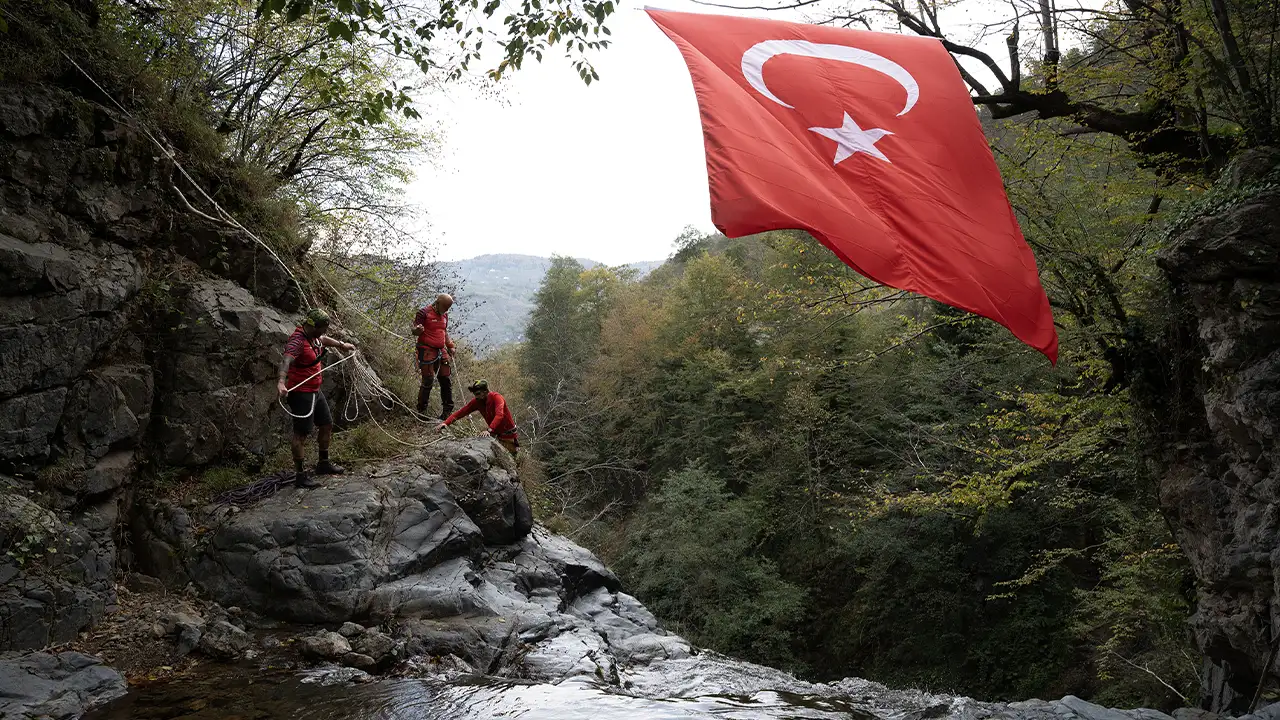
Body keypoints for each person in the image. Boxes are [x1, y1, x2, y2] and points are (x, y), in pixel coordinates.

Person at [277, 308, 356, 488]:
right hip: (301, 393)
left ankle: (323, 463)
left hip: (315, 390)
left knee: (326, 425)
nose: (324, 332)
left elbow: (324, 340)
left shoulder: (314, 336)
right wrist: (281, 382)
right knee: (301, 434)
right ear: (313, 326)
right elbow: (286, 361)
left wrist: (341, 345)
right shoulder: (297, 341)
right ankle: (300, 476)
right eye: (323, 328)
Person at [436, 379, 519, 458]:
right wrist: (446, 423)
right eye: (475, 394)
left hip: (508, 436)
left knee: (511, 458)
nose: (476, 396)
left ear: (486, 391)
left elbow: (499, 415)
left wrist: (489, 430)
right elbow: (461, 412)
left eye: (478, 393)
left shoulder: (497, 397)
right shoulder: (477, 402)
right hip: (495, 434)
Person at [413, 293, 456, 420]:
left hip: (441, 350)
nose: (446, 311)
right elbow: (414, 330)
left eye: (448, 308)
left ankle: (447, 411)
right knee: (428, 380)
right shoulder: (423, 313)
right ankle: (422, 411)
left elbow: (444, 331)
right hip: (426, 349)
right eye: (445, 307)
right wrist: (417, 331)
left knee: (445, 379)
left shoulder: (445, 315)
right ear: (437, 303)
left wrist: (450, 345)